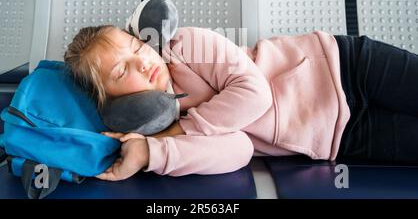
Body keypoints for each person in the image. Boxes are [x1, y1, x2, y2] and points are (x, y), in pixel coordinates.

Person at [64, 25, 418, 181]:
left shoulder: (186, 45)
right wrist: (153, 153)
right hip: (340, 137)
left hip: (345, 66)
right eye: (123, 68)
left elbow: (255, 94)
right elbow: (238, 150)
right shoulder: (161, 132)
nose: (143, 61)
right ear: (111, 101)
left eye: (137, 47)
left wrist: (182, 128)